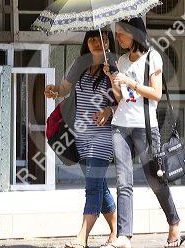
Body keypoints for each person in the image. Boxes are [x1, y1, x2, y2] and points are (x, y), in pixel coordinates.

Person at [103, 17, 185, 248]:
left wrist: (130, 80)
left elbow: (156, 94)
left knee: (154, 180)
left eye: (121, 33)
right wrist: (113, 81)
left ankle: (174, 222)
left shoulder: (152, 57)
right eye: (117, 33)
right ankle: (124, 236)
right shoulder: (120, 60)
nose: (118, 38)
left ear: (134, 33)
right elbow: (121, 99)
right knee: (123, 180)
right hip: (120, 125)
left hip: (145, 127)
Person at [45, 30, 118, 248]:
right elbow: (65, 88)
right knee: (99, 185)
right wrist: (54, 91)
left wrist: (110, 110)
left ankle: (82, 237)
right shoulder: (81, 64)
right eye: (92, 38)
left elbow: (126, 100)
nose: (96, 42)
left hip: (103, 138)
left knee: (92, 187)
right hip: (81, 138)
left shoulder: (114, 66)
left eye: (102, 38)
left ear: (108, 41)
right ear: (87, 42)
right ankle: (116, 231)